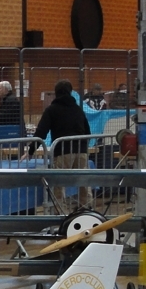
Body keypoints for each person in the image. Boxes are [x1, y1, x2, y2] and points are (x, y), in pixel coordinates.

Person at [35, 80, 92, 209]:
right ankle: (86, 209)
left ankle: (61, 212)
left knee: (59, 183)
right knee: (83, 181)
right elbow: (88, 131)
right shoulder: (78, 109)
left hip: (62, 151)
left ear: (56, 93)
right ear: (70, 92)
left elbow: (41, 131)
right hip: (81, 150)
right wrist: (83, 146)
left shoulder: (52, 110)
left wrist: (31, 150)